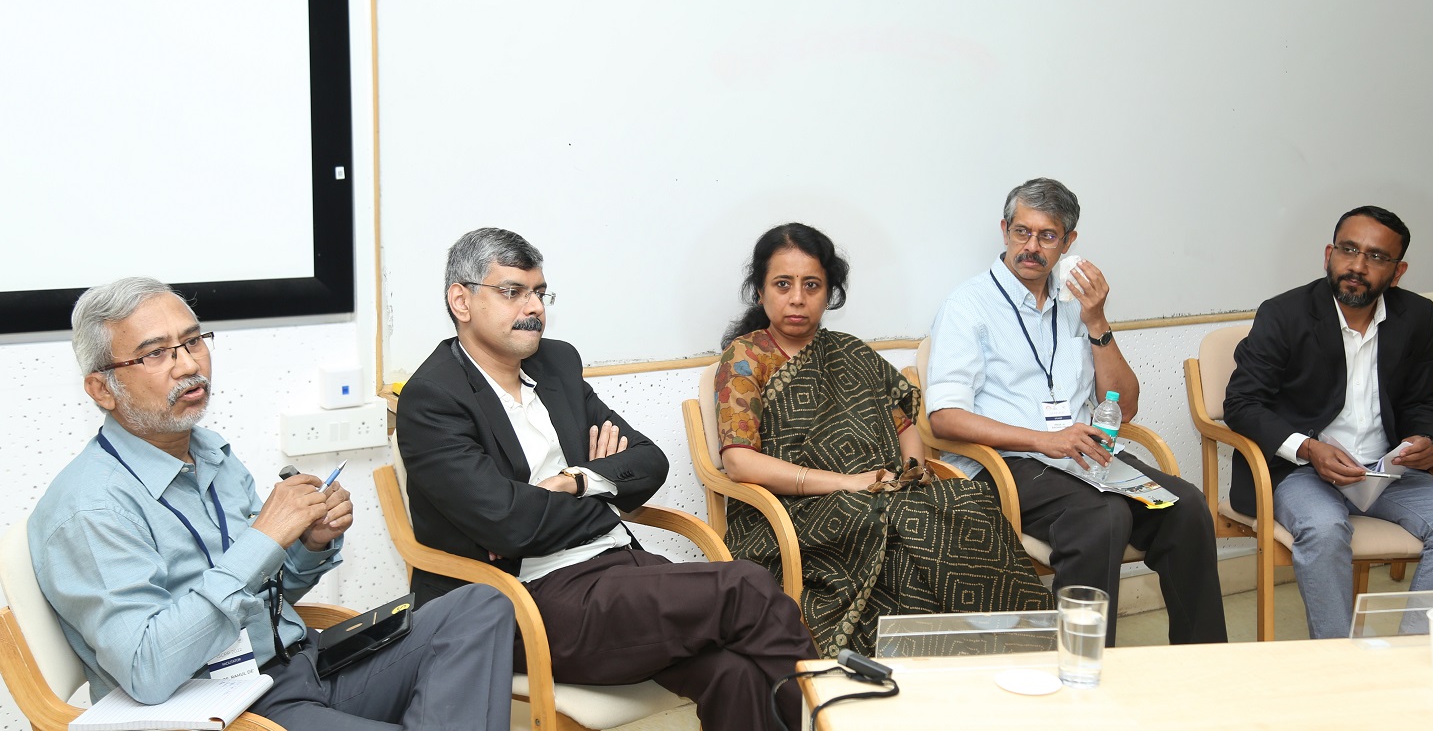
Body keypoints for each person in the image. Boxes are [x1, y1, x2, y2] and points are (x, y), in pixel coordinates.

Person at [30, 278, 516, 730]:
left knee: (482, 605)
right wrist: (262, 538)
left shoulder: (209, 452)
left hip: (303, 664)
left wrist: (306, 543)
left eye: (193, 341)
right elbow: (148, 669)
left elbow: (262, 595)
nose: (188, 365)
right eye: (156, 354)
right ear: (100, 389)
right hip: (220, 707)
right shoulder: (90, 510)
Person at [396, 228, 818, 731]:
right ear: (461, 300)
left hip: (617, 572)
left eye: (539, 292)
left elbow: (649, 461)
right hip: (528, 600)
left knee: (736, 674)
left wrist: (576, 482)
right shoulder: (432, 399)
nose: (534, 308)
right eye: (513, 292)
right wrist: (604, 494)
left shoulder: (556, 363)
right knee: (746, 585)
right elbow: (510, 527)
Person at [714, 223, 1053, 657]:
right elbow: (740, 463)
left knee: (968, 502)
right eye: (783, 284)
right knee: (903, 536)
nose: (797, 298)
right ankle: (926, 673)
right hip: (792, 514)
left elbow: (905, 427)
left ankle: (1023, 650)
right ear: (760, 292)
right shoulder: (746, 357)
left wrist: (911, 471)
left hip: (882, 493)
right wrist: (847, 482)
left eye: (811, 285)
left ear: (828, 293)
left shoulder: (850, 351)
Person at [925, 177, 1226, 646]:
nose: (1031, 247)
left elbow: (1125, 406)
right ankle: (1081, 670)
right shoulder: (968, 306)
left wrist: (1098, 322)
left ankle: (1202, 662)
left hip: (1082, 456)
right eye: (1022, 232)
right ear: (1004, 230)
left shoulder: (1078, 304)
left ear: (1068, 242)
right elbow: (943, 417)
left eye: (1048, 236)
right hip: (1007, 461)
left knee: (1186, 506)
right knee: (1102, 517)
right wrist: (1046, 440)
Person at [1222, 206, 1433, 639]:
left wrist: (1425, 438)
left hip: (1386, 472)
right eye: (1349, 250)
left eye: (1376, 257)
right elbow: (1242, 404)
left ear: (1397, 272)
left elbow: (1423, 399)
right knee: (1324, 530)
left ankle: (1414, 651)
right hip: (1303, 472)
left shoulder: (1415, 316)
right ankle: (1338, 656)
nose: (1358, 267)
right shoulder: (1284, 314)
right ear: (1329, 254)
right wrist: (1307, 448)